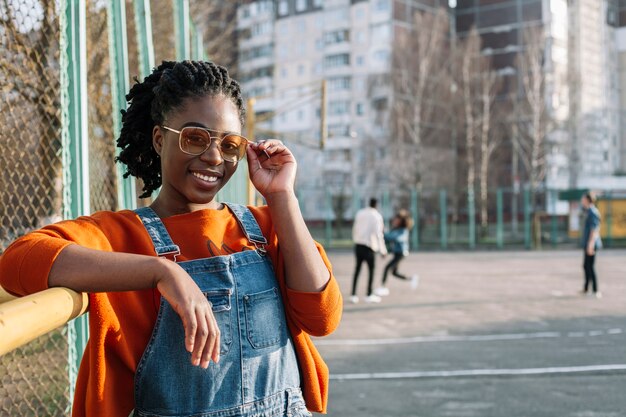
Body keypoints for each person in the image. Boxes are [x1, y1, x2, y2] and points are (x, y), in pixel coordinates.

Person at [0, 60, 342, 417]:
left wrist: (282, 195)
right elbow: (18, 260)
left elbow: (322, 318)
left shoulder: (266, 226)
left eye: (230, 146)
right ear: (160, 139)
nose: (213, 156)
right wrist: (162, 272)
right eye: (195, 138)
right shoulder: (119, 235)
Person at [350, 198, 387, 303]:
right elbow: (378, 233)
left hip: (358, 245)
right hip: (369, 246)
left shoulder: (360, 213)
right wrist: (383, 250)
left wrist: (356, 239)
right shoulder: (376, 216)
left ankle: (353, 294)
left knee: (357, 269)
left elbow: (355, 228)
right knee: (371, 270)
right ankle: (369, 294)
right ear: (376, 205)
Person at [374, 209, 418, 297]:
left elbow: (394, 237)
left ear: (401, 221)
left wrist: (382, 233)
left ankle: (383, 287)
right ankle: (412, 278)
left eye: (396, 220)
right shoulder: (397, 229)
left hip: (401, 253)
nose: (394, 221)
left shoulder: (403, 230)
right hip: (398, 253)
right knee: (394, 272)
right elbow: (388, 237)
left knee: (386, 268)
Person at [580, 191, 602, 298]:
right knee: (585, 266)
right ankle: (586, 288)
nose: (581, 201)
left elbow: (594, 229)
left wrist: (591, 244)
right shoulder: (587, 211)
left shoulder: (593, 212)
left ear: (588, 200)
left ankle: (595, 290)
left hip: (591, 244)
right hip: (587, 243)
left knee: (590, 267)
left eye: (583, 199)